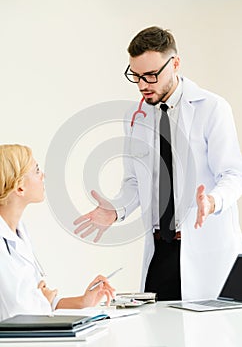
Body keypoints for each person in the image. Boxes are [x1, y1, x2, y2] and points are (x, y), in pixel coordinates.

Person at [73, 26, 242, 301]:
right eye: (136, 76)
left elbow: (234, 174)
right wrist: (116, 210)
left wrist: (212, 201)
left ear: (175, 64)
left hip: (205, 247)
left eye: (151, 75)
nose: (142, 85)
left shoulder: (212, 108)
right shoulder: (135, 116)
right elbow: (133, 182)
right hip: (160, 249)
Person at [0, 144, 115, 321]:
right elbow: (18, 311)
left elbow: (41, 299)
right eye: (37, 170)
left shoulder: (19, 231)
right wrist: (44, 298)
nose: (43, 176)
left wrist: (83, 301)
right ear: (20, 188)